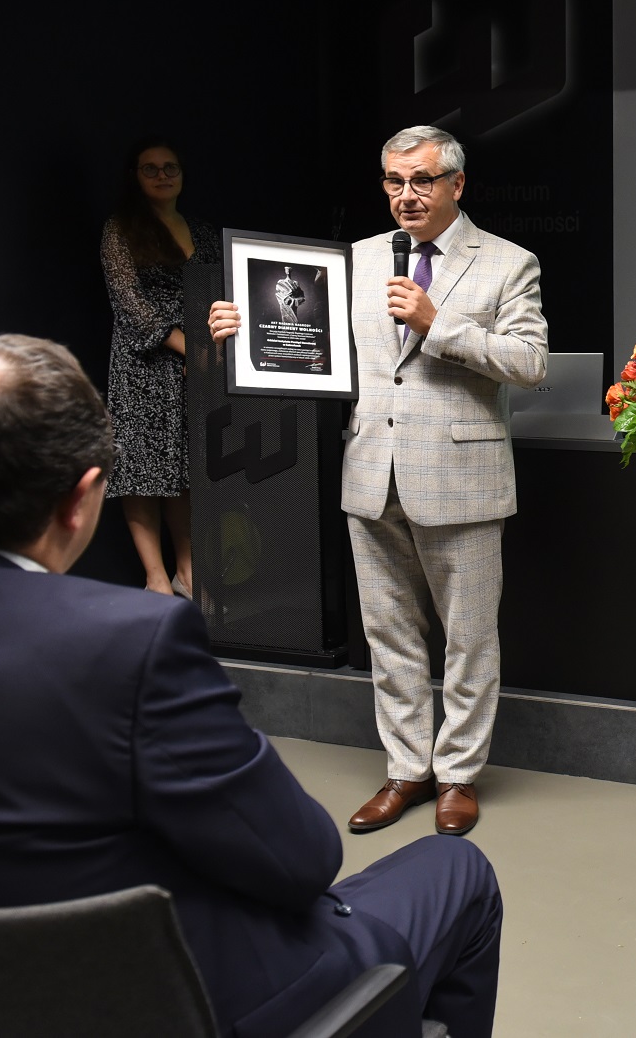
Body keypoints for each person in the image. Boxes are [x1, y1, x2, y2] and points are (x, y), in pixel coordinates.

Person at [0, 335, 503, 1038]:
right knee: (457, 871)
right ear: (79, 502)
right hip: (174, 1001)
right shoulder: (130, 644)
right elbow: (302, 859)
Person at [210, 126, 547, 839]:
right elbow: (310, 350)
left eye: (422, 180)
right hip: (371, 470)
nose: (406, 195)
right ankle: (406, 769)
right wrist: (247, 331)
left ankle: (457, 775)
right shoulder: (355, 259)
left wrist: (437, 322)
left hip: (461, 476)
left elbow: (528, 362)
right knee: (388, 634)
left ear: (457, 183)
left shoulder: (508, 262)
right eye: (394, 181)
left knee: (468, 640)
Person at [101, 137, 219, 595]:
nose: (162, 175)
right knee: (141, 469)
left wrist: (207, 350)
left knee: (183, 470)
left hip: (196, 364)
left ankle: (187, 572)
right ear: (135, 176)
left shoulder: (203, 231)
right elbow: (129, 302)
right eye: (150, 168)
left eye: (170, 167)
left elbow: (221, 294)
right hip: (143, 364)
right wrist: (190, 348)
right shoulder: (120, 229)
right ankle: (155, 577)